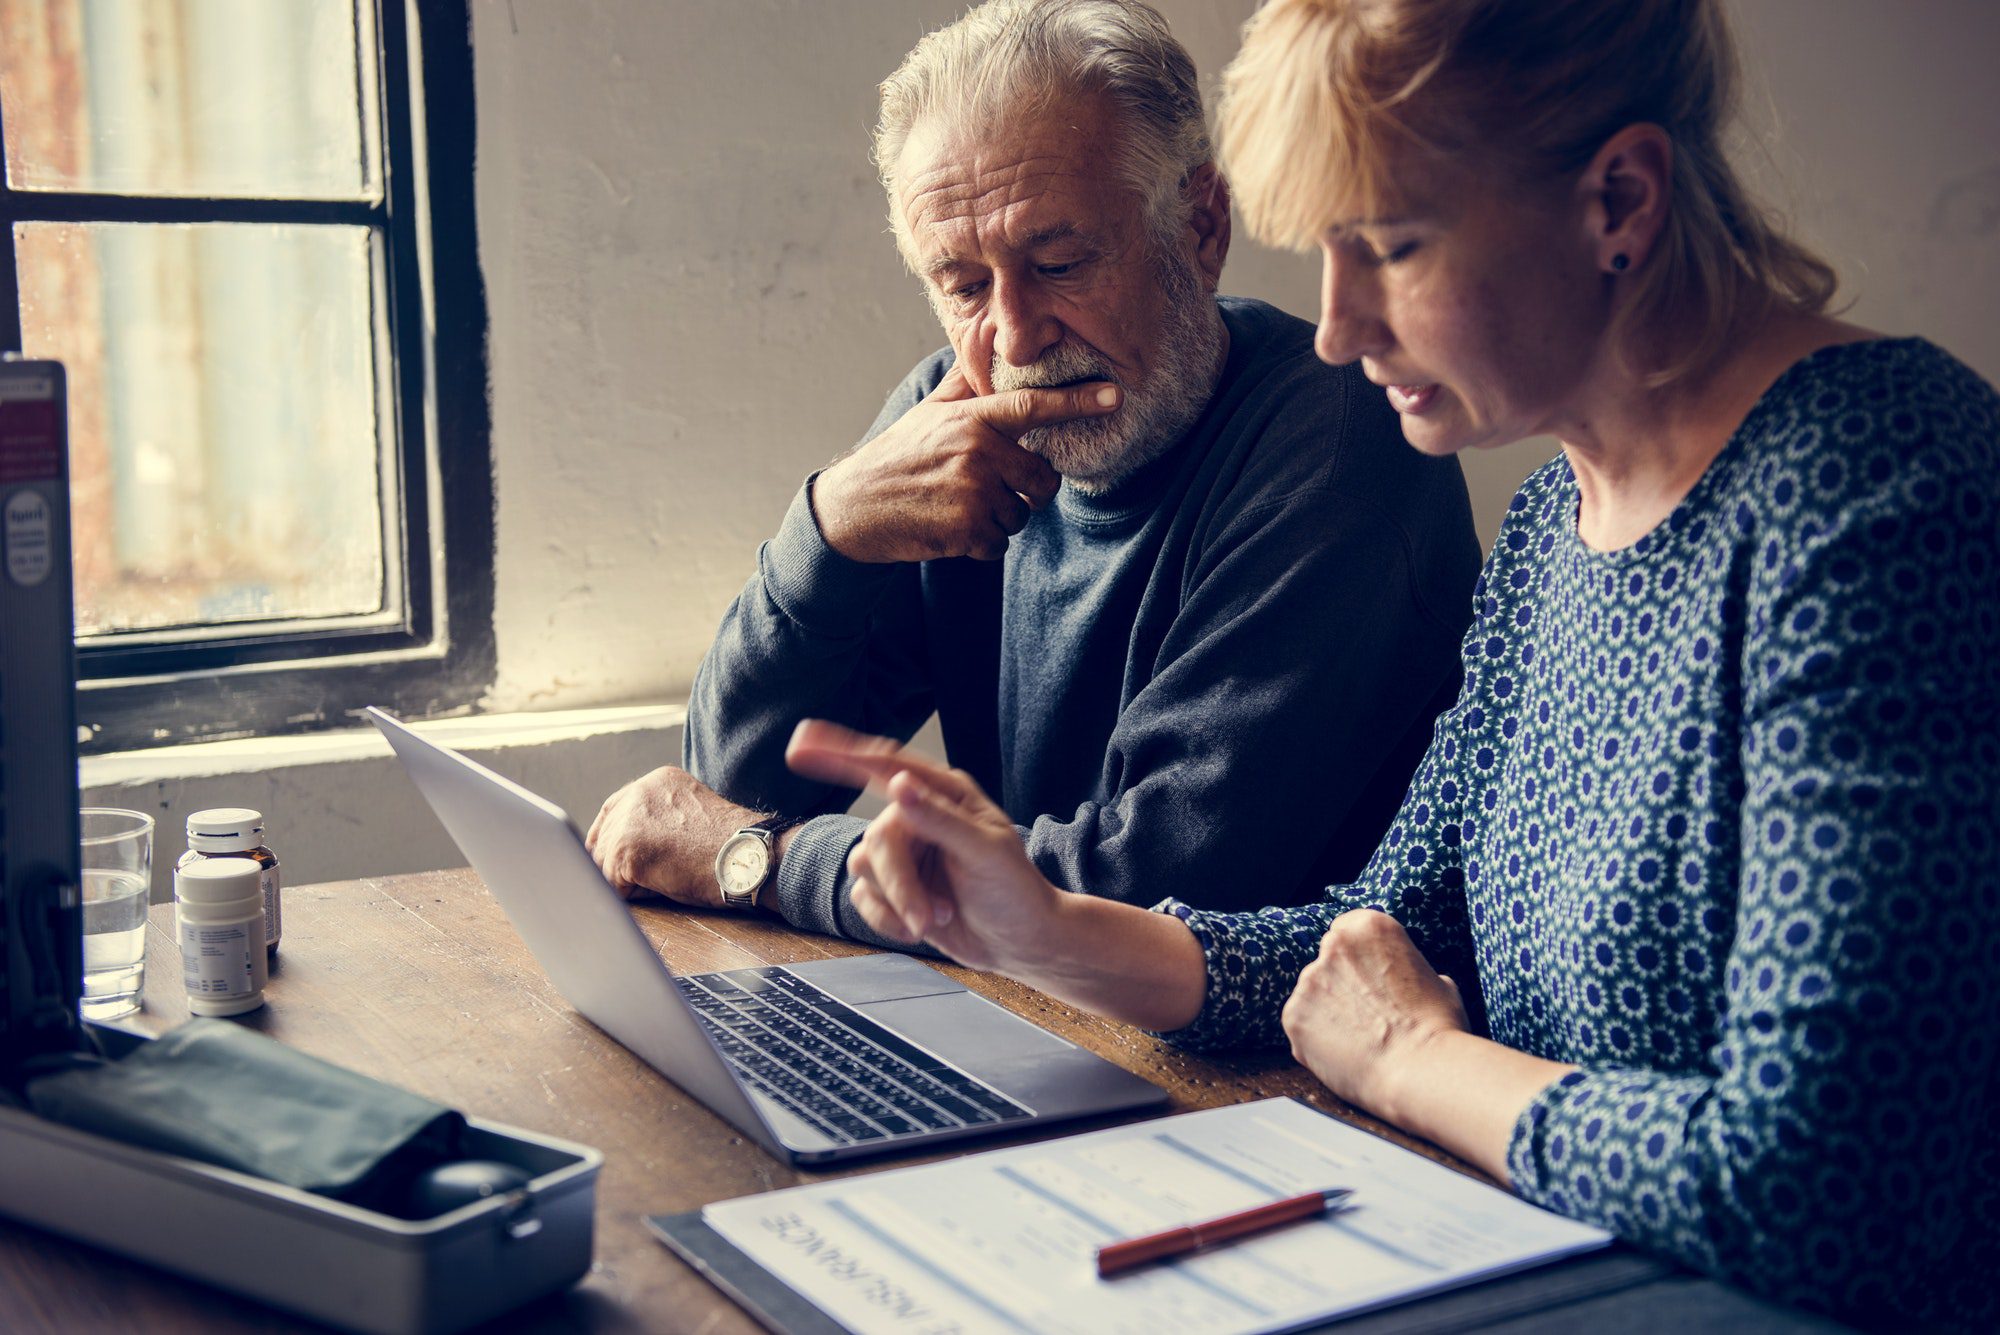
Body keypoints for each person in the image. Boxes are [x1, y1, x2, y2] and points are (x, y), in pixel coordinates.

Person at [786, 0, 2000, 1328]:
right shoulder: (1553, 520)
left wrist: (1420, 1060)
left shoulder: (1882, 490)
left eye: (1393, 246)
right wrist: (1045, 927)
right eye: (1325, 252)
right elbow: (1386, 930)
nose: (1336, 328)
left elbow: (1830, 1187)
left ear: (1621, 200)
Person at [586, 0, 1480, 944]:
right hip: (1034, 1012)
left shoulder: (1341, 445)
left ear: (1201, 227)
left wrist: (764, 863)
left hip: (1269, 1062)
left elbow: (1145, 892)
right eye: (965, 286)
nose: (1014, 336)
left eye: (1058, 262)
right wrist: (829, 528)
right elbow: (731, 785)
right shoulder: (954, 418)